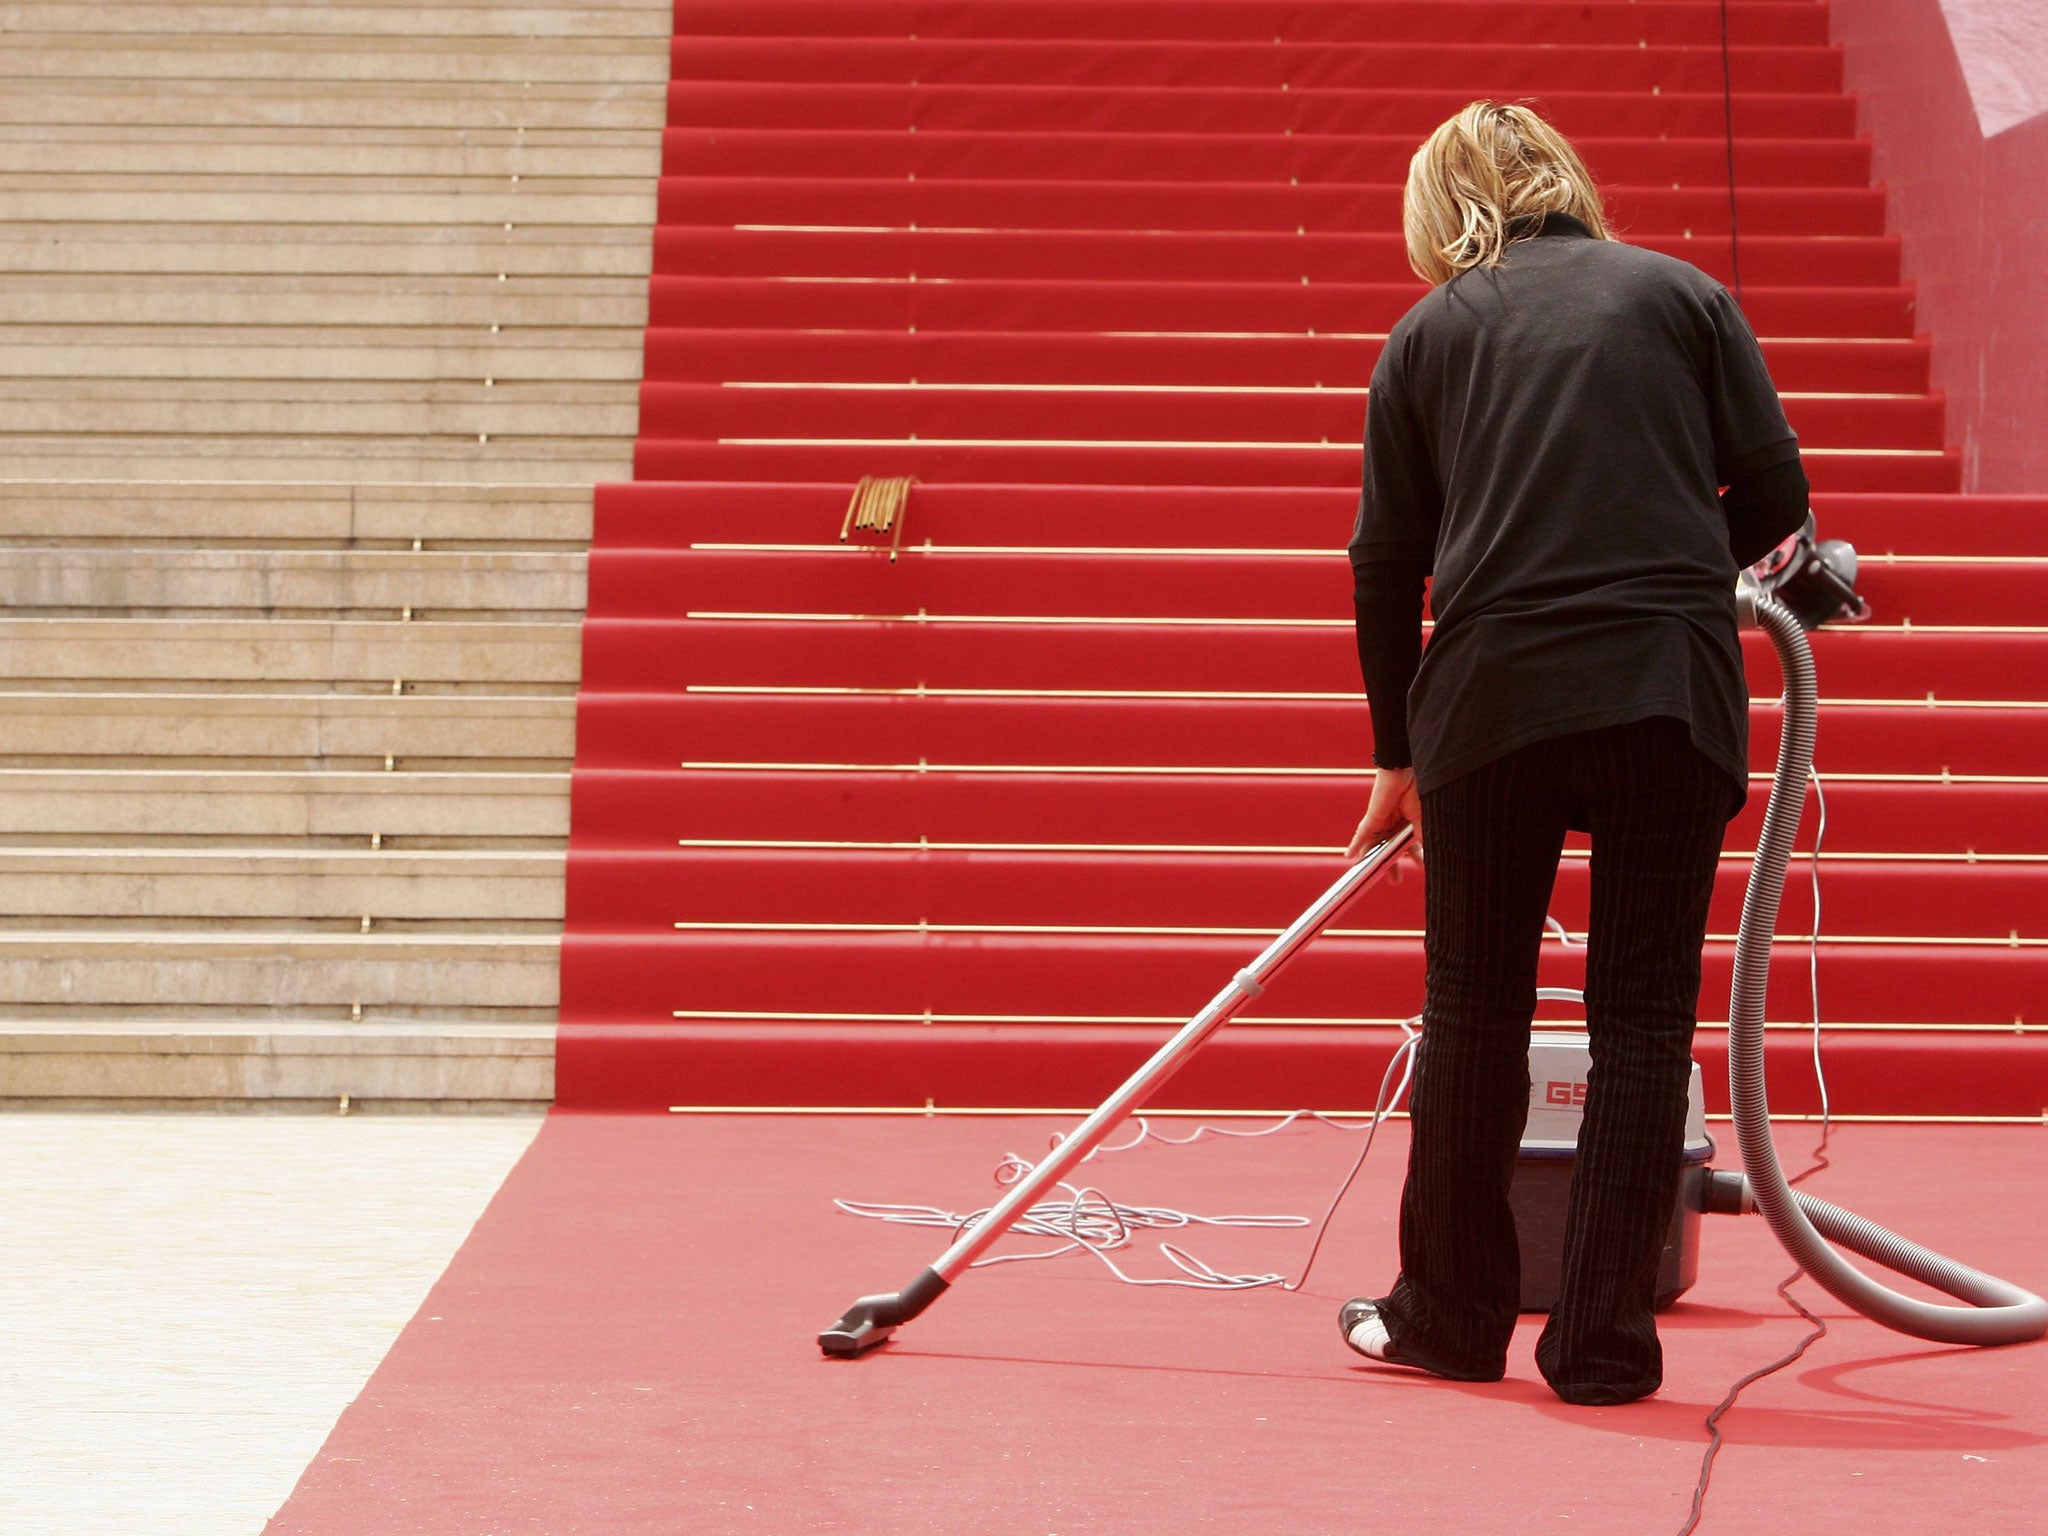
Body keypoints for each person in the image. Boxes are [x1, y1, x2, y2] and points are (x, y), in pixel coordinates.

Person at [1338, 102, 1810, 1406]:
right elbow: (1778, 497)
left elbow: (1387, 563)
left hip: (1491, 703)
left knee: (1478, 1004)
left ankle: (1448, 1312)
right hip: (1672, 691)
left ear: (1441, 207)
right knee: (1645, 1015)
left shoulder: (1428, 335)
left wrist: (1395, 756)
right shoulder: (1683, 296)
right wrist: (1665, 582)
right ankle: (1605, 1343)